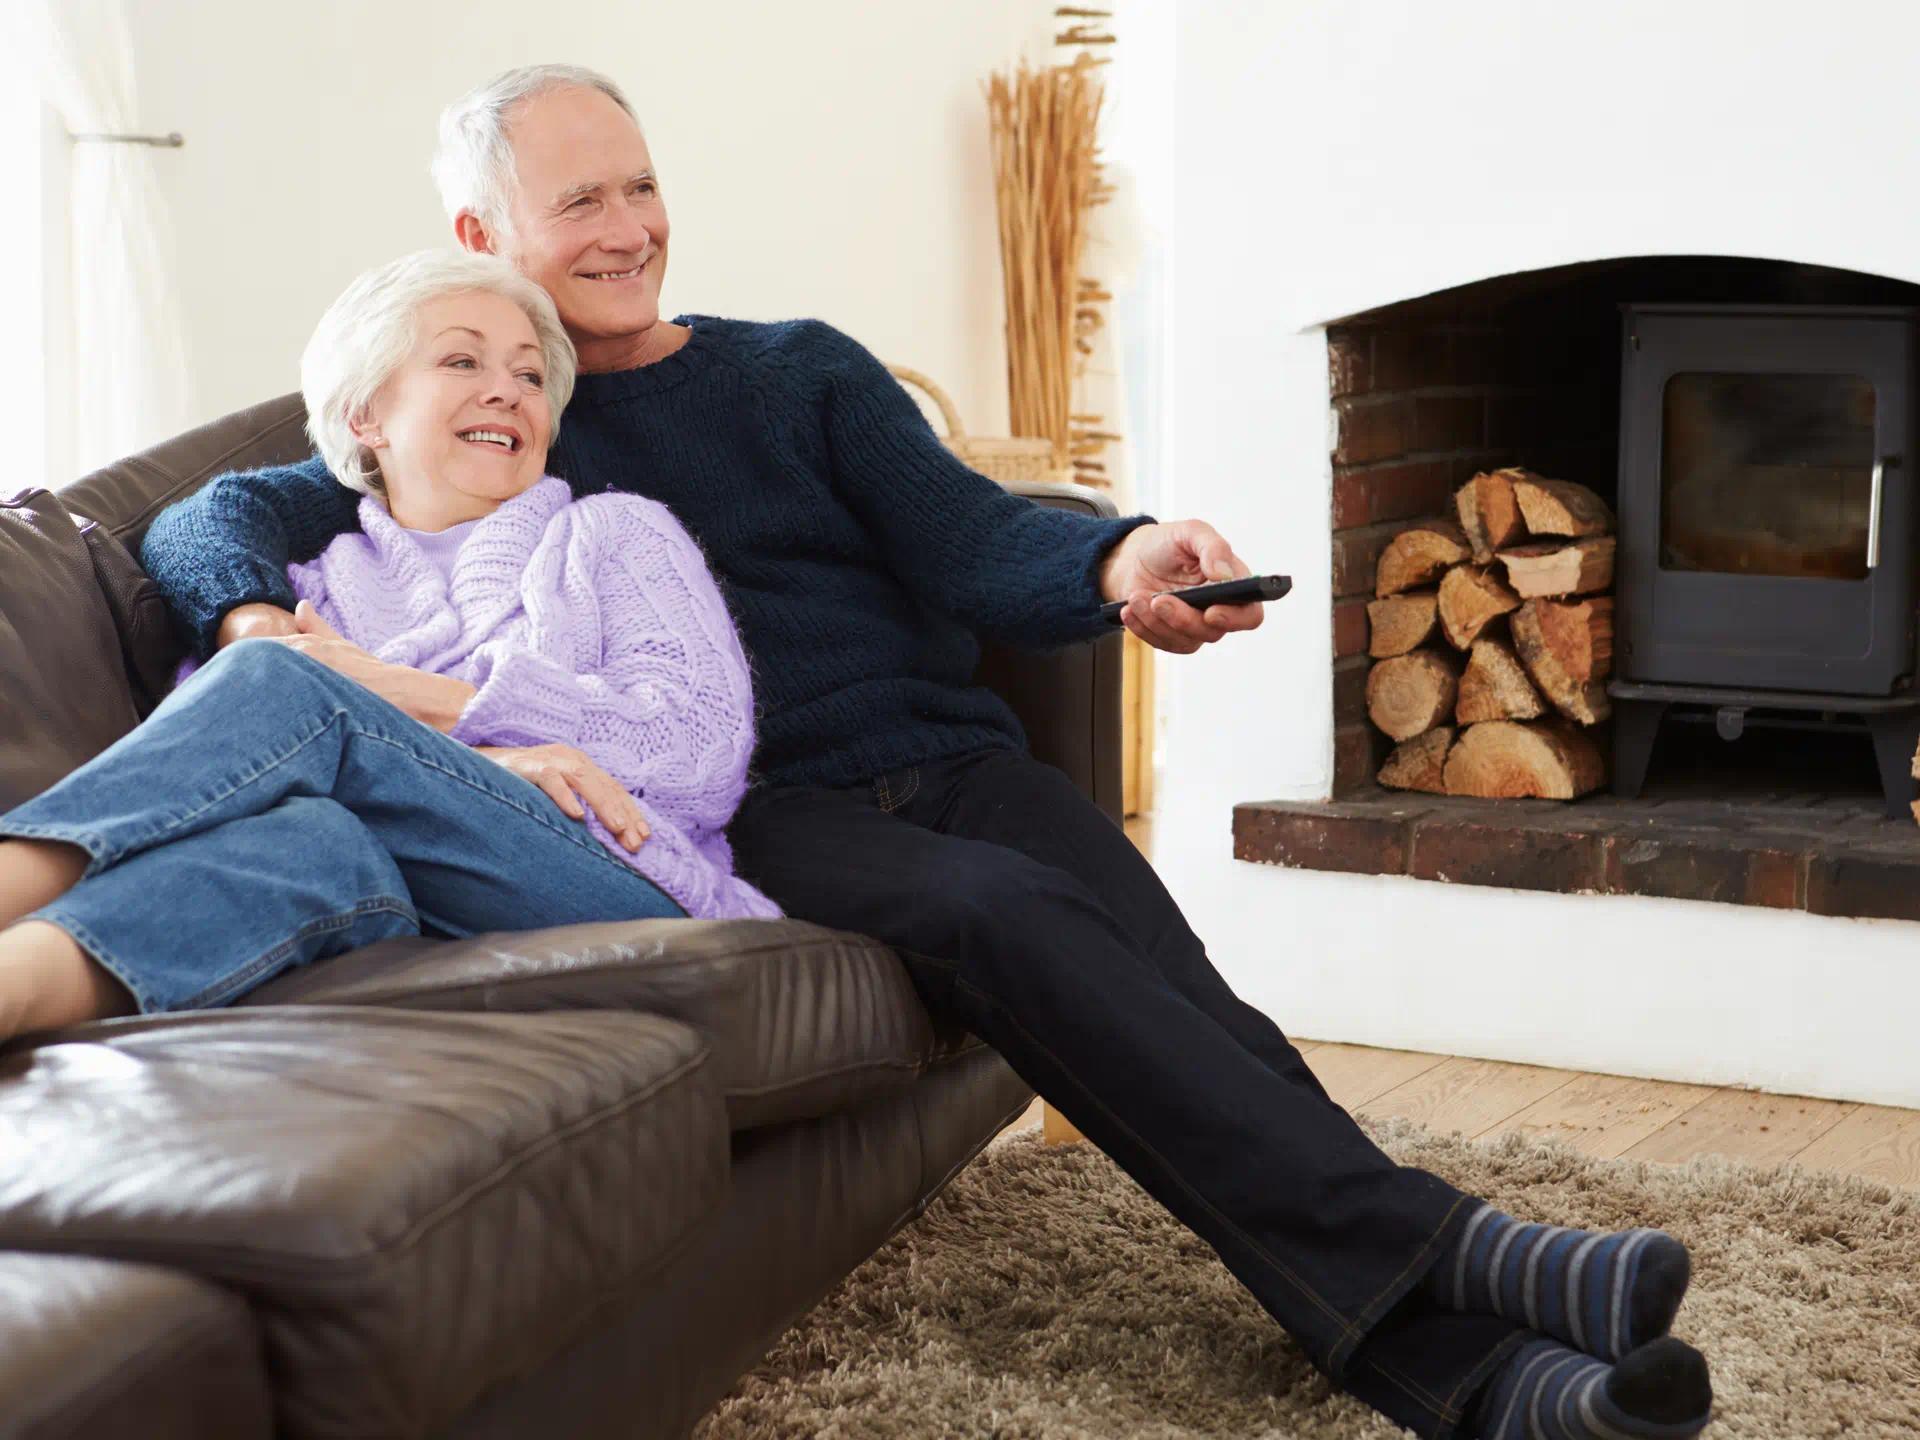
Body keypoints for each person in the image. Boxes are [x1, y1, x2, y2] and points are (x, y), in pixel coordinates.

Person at [131, 65, 1714, 1440]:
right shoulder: (500, 400)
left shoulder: (799, 370)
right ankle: (1471, 1260)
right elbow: (219, 517)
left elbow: (973, 541)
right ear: (486, 239)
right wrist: (259, 629)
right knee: (994, 917)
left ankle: (1473, 1380)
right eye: (577, 204)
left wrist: (1122, 562)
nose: (625, 229)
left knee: (1194, 1005)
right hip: (771, 810)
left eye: (642, 186)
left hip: (955, 760)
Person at [0, 248, 778, 1038]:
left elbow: (697, 754)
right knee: (308, 843)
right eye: (462, 360)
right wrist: (486, 761)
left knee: (282, 678)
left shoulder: (618, 534)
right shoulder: (308, 592)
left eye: (530, 376)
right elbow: (216, 786)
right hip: (392, 889)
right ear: (365, 416)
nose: (507, 390)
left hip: (617, 877)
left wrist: (415, 698)